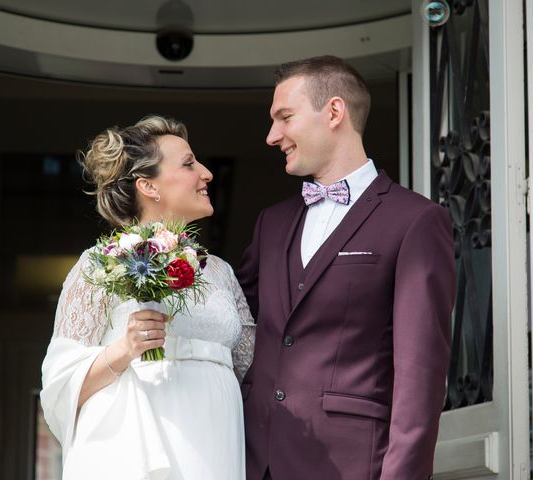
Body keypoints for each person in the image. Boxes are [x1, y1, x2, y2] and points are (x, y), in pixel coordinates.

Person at [237, 55, 455, 480]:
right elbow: (234, 325)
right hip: (254, 462)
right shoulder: (272, 222)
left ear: (334, 112)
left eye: (284, 117)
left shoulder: (414, 221)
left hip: (352, 465)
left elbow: (420, 376)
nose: (271, 136)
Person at [40, 115, 254, 480]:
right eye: (188, 164)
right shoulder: (98, 266)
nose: (206, 173)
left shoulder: (220, 271)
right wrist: (124, 349)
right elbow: (60, 386)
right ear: (148, 186)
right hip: (136, 444)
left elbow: (252, 368)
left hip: (217, 441)